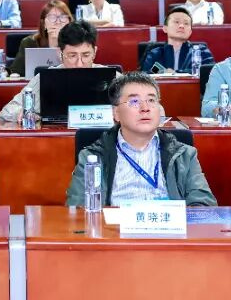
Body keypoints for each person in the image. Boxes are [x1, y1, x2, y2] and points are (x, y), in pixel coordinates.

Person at [66, 71, 216, 206]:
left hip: (168, 226)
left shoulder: (184, 155)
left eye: (151, 100)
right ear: (116, 113)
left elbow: (204, 205)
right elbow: (77, 212)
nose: (145, 108)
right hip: (114, 227)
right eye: (134, 101)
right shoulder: (93, 157)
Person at [0, 21, 115, 123]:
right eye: (72, 55)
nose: (79, 64)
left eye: (85, 55)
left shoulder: (110, 77)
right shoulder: (46, 78)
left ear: (94, 52)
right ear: (60, 54)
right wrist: (22, 112)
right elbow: (7, 112)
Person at [5, 1, 73, 77]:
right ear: (43, 23)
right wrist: (5, 72)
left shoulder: (78, 43)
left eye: (63, 17)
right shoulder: (29, 43)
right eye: (52, 17)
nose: (58, 22)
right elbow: (15, 70)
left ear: (69, 21)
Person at [142, 6, 214, 74]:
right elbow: (146, 74)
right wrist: (163, 72)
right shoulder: (154, 54)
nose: (181, 26)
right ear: (165, 28)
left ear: (190, 32)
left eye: (186, 23)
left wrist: (175, 73)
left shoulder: (201, 52)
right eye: (176, 22)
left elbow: (209, 73)